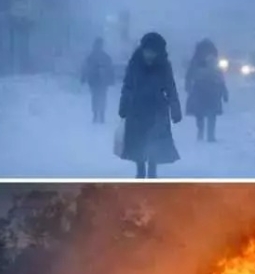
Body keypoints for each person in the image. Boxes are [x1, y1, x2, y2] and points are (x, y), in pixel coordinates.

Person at [118, 32, 182, 179]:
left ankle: (152, 174)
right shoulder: (134, 64)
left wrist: (175, 109)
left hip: (157, 111)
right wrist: (124, 105)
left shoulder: (164, 66)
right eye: (147, 51)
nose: (149, 55)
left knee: (155, 144)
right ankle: (140, 173)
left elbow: (170, 88)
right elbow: (127, 86)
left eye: (153, 52)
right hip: (137, 111)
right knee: (138, 144)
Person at [185, 39, 229, 142]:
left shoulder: (205, 62)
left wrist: (188, 87)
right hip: (208, 90)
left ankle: (206, 134)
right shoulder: (200, 62)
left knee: (204, 113)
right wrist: (224, 92)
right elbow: (220, 78)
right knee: (205, 114)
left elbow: (219, 77)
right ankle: (207, 134)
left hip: (204, 90)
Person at [81, 37, 115, 124]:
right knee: (99, 97)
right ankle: (98, 114)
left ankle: (98, 114)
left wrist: (83, 77)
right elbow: (86, 68)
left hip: (98, 81)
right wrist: (84, 77)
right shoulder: (102, 57)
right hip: (97, 81)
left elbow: (110, 69)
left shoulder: (93, 56)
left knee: (98, 97)